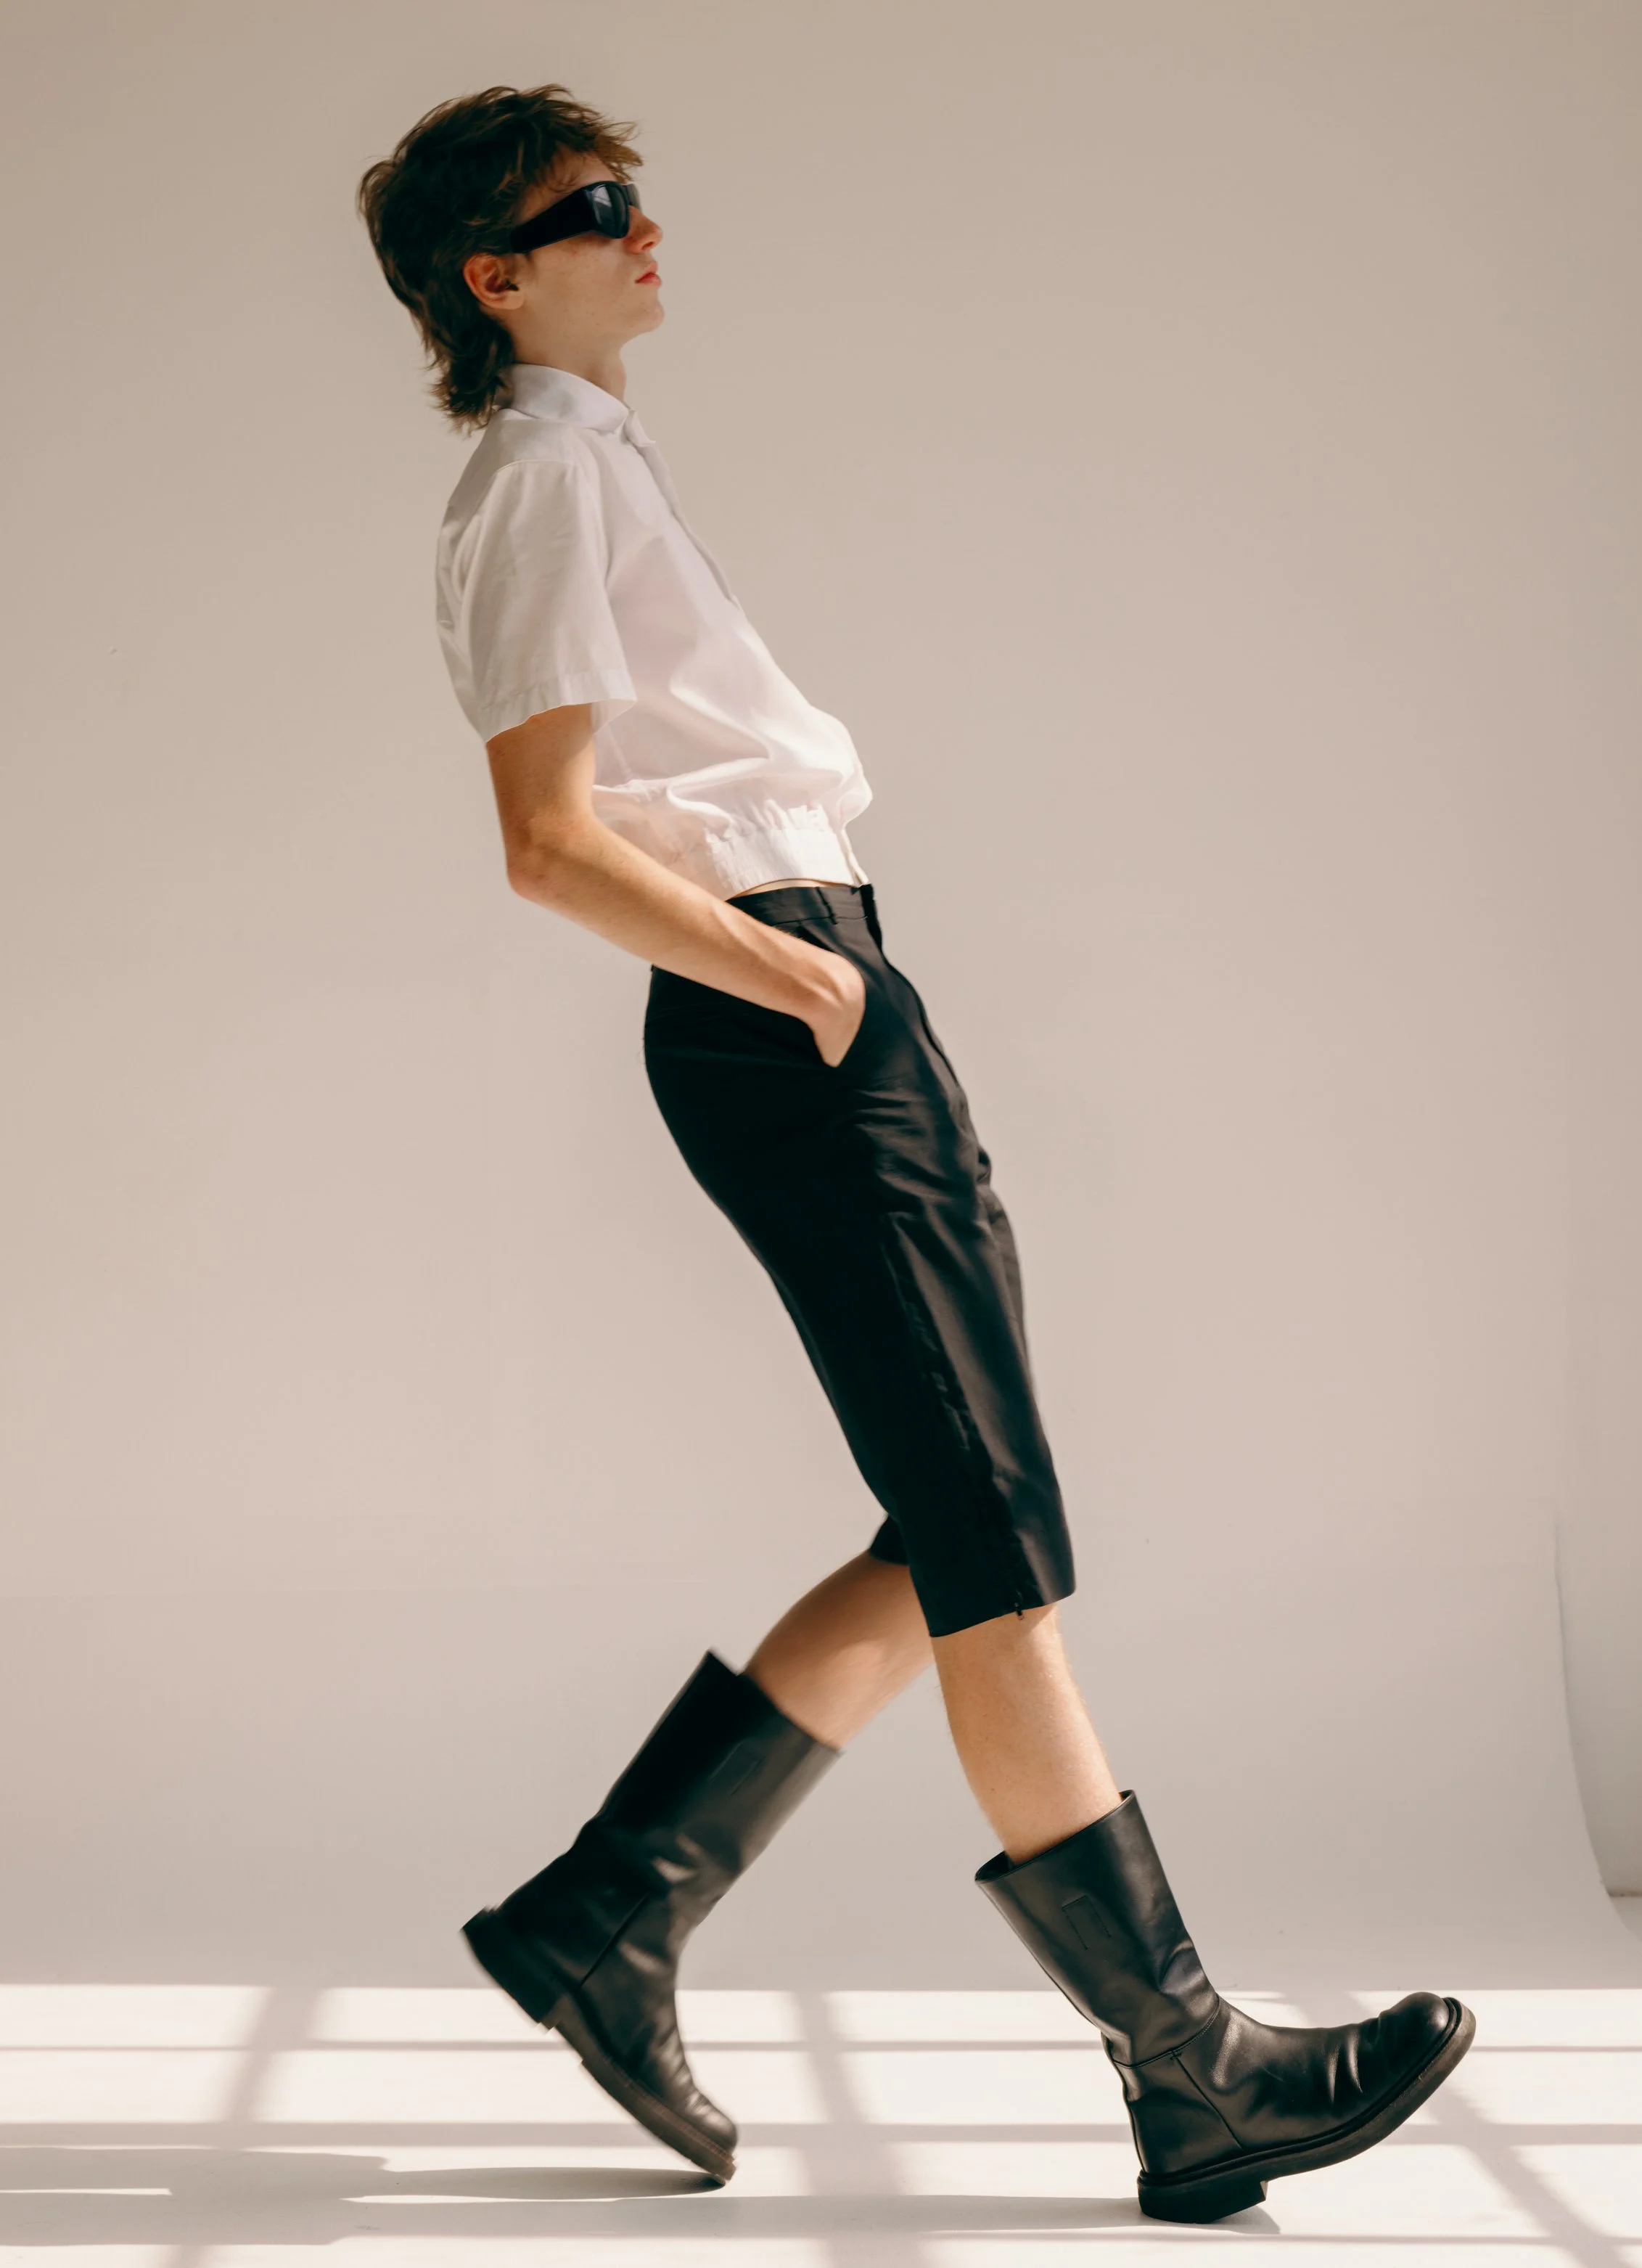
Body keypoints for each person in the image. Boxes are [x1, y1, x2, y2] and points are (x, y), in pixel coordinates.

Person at [356, 83, 1474, 2224]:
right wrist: (807, 992)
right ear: (495, 276)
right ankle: (1188, 2059)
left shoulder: (588, 463)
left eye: (634, 193)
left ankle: (609, 1911)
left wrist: (839, 986)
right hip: (788, 1005)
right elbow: (544, 842)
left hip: (823, 990)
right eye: (591, 210)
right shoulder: (540, 481)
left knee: (966, 1511)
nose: (640, 226)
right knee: (987, 1538)